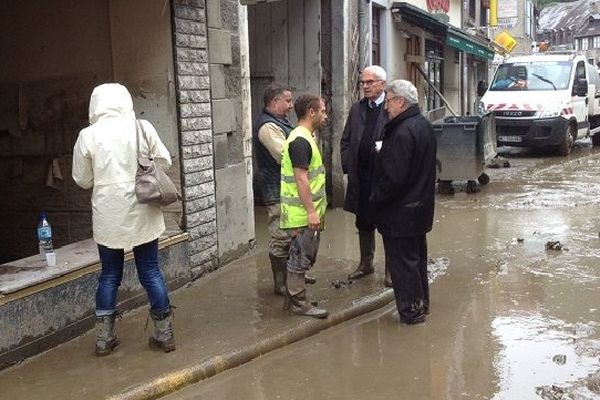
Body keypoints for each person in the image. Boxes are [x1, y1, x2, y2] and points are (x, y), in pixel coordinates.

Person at [72, 83, 175, 355]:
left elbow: (82, 180)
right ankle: (164, 336)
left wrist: (106, 181)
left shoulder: (88, 135)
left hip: (109, 213)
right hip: (144, 209)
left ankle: (104, 340)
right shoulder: (142, 127)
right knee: (151, 271)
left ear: (95, 105)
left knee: (109, 276)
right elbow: (165, 161)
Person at [370, 80, 437, 325]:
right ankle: (421, 305)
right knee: (416, 261)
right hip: (419, 210)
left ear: (401, 101)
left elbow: (394, 178)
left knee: (403, 265)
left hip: (400, 213)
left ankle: (411, 312)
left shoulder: (401, 132)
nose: (386, 107)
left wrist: (376, 199)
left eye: (388, 101)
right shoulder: (424, 126)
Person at [253, 83, 317, 296]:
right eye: (287, 101)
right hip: (277, 192)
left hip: (289, 191)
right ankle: (281, 283)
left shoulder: (281, 123)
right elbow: (285, 156)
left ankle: (295, 275)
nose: (291, 105)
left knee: (294, 236)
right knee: (281, 238)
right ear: (274, 101)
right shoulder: (267, 127)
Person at [340, 65, 391, 286]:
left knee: (388, 225)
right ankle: (366, 264)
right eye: (363, 82)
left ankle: (391, 270)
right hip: (361, 177)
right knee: (363, 222)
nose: (365, 86)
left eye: (370, 82)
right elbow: (345, 140)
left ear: (382, 84)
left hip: (384, 179)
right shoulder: (357, 108)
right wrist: (348, 165)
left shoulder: (392, 107)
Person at [280, 94, 329, 319]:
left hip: (303, 213)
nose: (325, 116)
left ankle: (293, 300)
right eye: (323, 111)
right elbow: (301, 179)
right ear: (311, 112)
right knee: (299, 259)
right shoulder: (300, 140)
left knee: (301, 256)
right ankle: (298, 304)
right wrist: (311, 211)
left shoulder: (304, 137)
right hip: (301, 214)